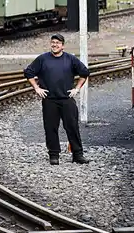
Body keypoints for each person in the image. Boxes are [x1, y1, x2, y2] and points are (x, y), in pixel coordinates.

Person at [23, 34, 90, 165]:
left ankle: (78, 154)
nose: (54, 45)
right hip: (49, 100)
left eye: (57, 43)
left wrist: (77, 88)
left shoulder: (70, 59)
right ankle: (54, 155)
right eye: (53, 42)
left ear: (62, 46)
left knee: (72, 127)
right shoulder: (43, 59)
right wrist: (36, 88)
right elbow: (29, 72)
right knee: (50, 128)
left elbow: (84, 73)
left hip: (67, 99)